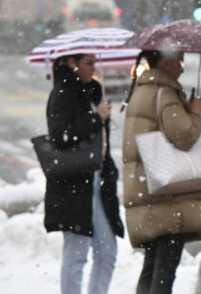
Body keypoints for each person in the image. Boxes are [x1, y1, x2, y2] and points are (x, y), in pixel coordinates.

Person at [122, 50, 201, 294]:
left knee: (151, 266)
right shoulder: (165, 93)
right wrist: (194, 113)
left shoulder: (141, 91)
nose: (182, 69)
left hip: (149, 189)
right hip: (169, 198)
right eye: (179, 63)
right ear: (165, 63)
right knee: (165, 270)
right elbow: (184, 136)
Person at [45, 53, 124, 294]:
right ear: (72, 63)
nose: (93, 67)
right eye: (88, 63)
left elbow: (102, 141)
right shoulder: (62, 93)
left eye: (94, 62)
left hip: (99, 181)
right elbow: (60, 135)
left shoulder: (94, 91)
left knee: (107, 251)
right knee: (76, 252)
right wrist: (95, 117)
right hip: (75, 183)